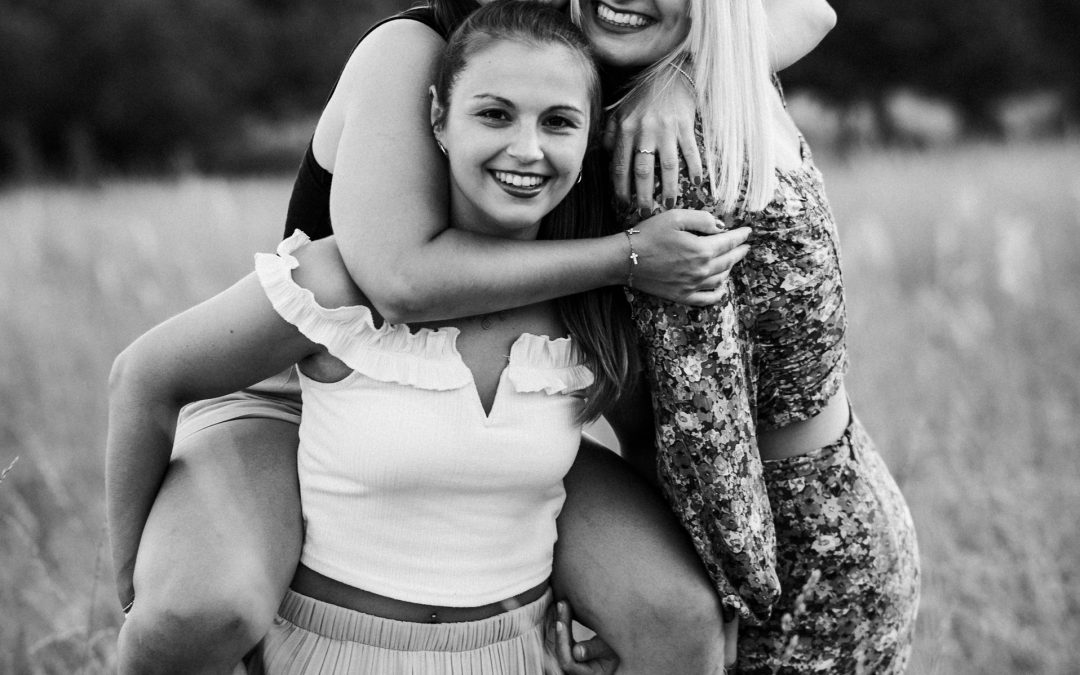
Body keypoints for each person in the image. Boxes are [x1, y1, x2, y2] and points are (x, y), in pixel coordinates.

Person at [107, 0, 836, 673]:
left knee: (677, 613)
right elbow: (400, 280)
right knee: (200, 609)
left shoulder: (589, 41)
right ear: (442, 116)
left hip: (495, 380)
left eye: (559, 123)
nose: (528, 145)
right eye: (493, 116)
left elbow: (808, 11)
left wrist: (680, 75)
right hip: (299, 374)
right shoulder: (412, 48)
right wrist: (630, 257)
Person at [550, 0, 921, 672]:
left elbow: (708, 431)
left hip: (788, 557)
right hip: (849, 502)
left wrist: (712, 610)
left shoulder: (665, 154)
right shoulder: (736, 90)